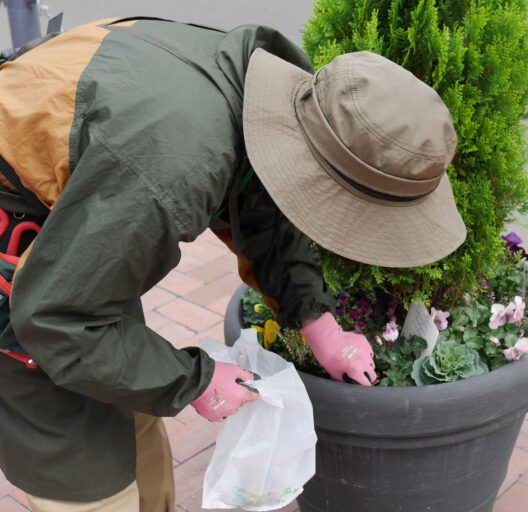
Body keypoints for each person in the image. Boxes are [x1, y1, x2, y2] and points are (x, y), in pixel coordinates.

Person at [0, 16, 466, 512]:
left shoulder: (275, 98)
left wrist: (316, 320)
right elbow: (57, 320)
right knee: (86, 477)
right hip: (32, 266)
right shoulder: (172, 164)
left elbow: (263, 197)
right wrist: (195, 381)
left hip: (76, 230)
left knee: (127, 411)